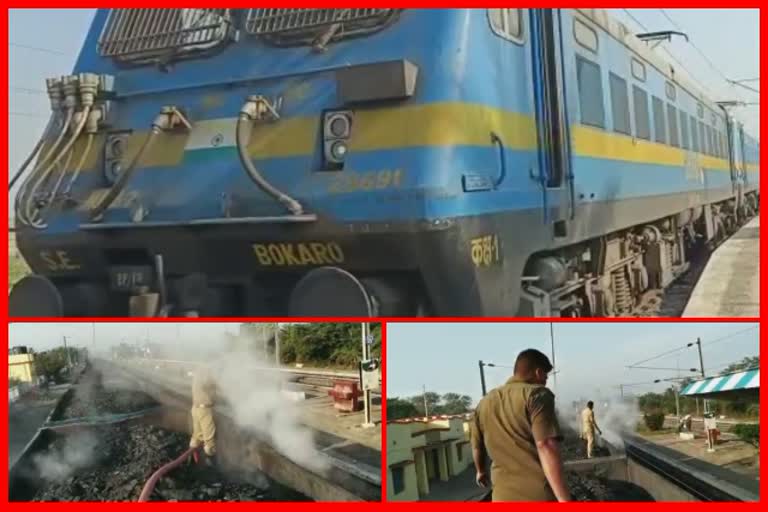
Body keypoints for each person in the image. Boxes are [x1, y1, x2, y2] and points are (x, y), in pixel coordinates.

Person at [470, 349, 570, 502]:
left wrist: (480, 471)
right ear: (538, 372)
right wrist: (564, 500)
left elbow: (477, 447)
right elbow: (546, 444)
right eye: (545, 375)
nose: (546, 380)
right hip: (538, 496)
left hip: (501, 497)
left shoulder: (484, 403)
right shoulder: (537, 395)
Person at [189, 366, 218, 465]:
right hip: (204, 409)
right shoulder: (205, 372)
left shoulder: (197, 371)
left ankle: (192, 461)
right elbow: (209, 384)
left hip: (195, 408)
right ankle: (210, 464)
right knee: (209, 440)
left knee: (196, 436)